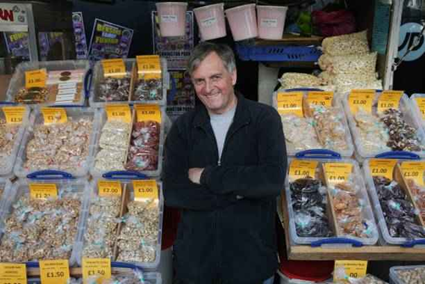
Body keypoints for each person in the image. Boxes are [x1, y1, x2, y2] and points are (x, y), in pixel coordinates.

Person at [163, 42, 287, 284]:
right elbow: (174, 192)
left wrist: (207, 176)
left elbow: (271, 181)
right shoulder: (183, 128)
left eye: (215, 77)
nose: (208, 88)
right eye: (199, 80)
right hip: (196, 267)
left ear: (233, 75)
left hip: (251, 264)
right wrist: (238, 192)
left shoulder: (264, 119)